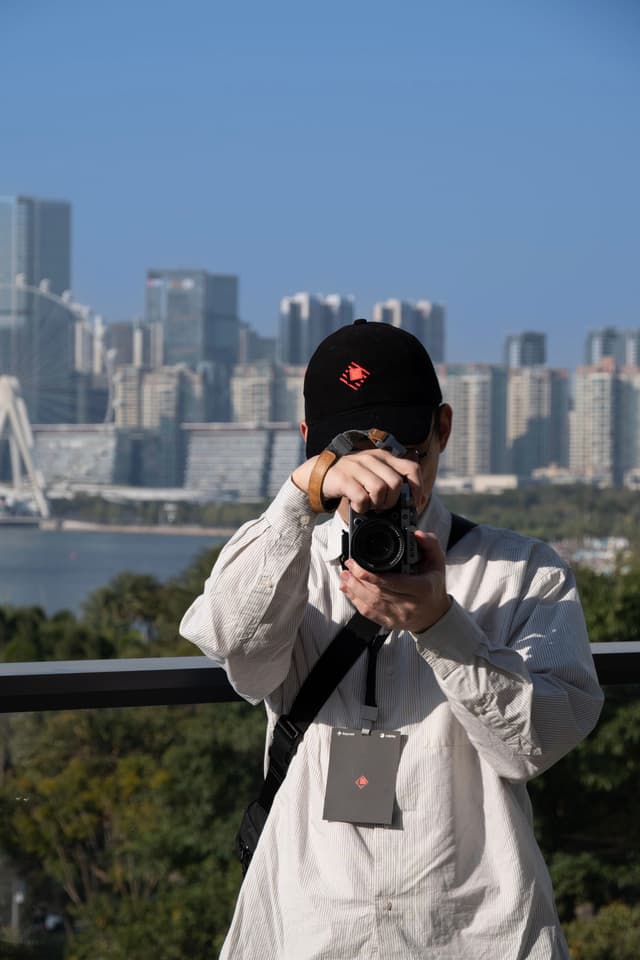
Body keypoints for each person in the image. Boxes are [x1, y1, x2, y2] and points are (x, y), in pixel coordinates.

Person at [180, 319, 603, 960]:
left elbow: (535, 744)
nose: (385, 478)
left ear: (443, 429)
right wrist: (298, 501)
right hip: (311, 924)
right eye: (353, 453)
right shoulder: (285, 562)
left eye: (406, 449)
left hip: (475, 931)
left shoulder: (522, 572)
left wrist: (442, 625)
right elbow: (231, 644)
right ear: (311, 448)